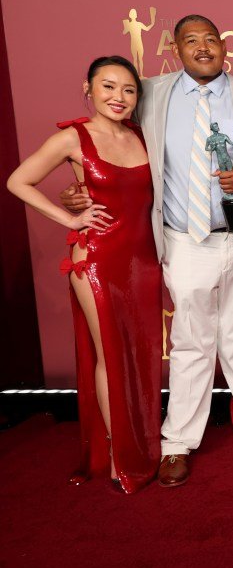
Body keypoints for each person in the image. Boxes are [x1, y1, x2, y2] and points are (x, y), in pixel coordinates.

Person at [62, 15, 233, 488]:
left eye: (210, 39)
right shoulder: (148, 93)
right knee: (190, 341)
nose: (203, 47)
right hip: (184, 238)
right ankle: (178, 442)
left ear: (224, 46)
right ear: (176, 49)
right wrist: (81, 188)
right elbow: (109, 144)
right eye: (191, 40)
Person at [7, 56, 161, 493]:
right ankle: (117, 456)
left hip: (143, 261)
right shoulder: (72, 137)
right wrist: (70, 218)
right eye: (108, 86)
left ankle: (142, 443)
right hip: (96, 259)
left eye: (128, 89)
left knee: (139, 355)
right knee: (110, 354)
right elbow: (18, 181)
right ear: (88, 89)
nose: (118, 97)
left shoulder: (142, 135)